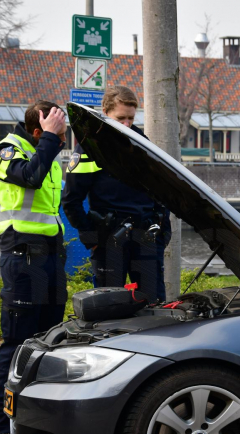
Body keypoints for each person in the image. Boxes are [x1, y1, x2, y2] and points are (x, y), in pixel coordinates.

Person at [0, 101, 69, 434]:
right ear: (38, 131)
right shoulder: (3, 152)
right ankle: (0, 430)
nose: (61, 141)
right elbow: (29, 176)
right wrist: (50, 139)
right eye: (57, 134)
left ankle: (36, 425)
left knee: (50, 344)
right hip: (22, 257)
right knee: (17, 345)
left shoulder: (48, 153)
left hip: (51, 257)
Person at [62, 86, 171, 301]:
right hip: (109, 240)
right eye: (120, 118)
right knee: (109, 307)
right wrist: (91, 238)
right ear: (105, 112)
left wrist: (163, 232)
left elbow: (161, 191)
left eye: (130, 118)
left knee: (153, 305)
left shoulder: (143, 144)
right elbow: (71, 200)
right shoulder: (90, 148)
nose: (126, 124)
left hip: (145, 238)